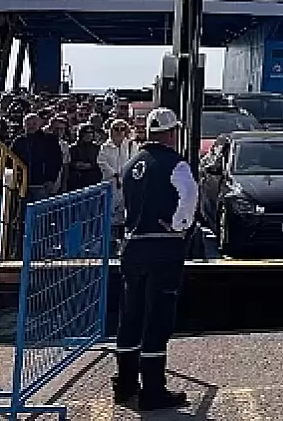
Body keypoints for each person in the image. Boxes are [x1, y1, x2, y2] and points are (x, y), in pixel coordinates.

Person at [111, 107, 197, 411]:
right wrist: (179, 225)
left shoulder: (131, 163)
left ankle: (124, 384)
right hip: (162, 248)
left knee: (130, 316)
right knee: (158, 319)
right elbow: (188, 196)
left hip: (132, 247)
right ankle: (153, 389)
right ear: (172, 133)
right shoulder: (176, 164)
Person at [10, 113, 63, 200]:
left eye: (34, 123)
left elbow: (56, 161)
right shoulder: (18, 141)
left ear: (40, 124)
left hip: (41, 184)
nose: (31, 126)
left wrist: (51, 180)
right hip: (22, 184)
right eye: (28, 124)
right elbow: (11, 159)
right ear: (24, 126)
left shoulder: (50, 140)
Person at [98, 118, 135, 241]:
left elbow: (134, 161)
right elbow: (101, 162)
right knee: (109, 213)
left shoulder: (131, 145)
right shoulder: (105, 147)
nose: (119, 132)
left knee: (126, 213)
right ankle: (110, 241)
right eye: (116, 129)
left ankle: (124, 241)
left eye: (122, 129)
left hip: (126, 183)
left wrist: (125, 173)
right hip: (110, 183)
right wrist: (114, 174)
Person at [66, 124, 103, 192]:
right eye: (86, 132)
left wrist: (91, 165)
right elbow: (69, 162)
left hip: (93, 179)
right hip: (77, 180)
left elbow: (100, 162)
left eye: (91, 132)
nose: (89, 135)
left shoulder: (97, 148)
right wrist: (76, 165)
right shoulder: (73, 148)